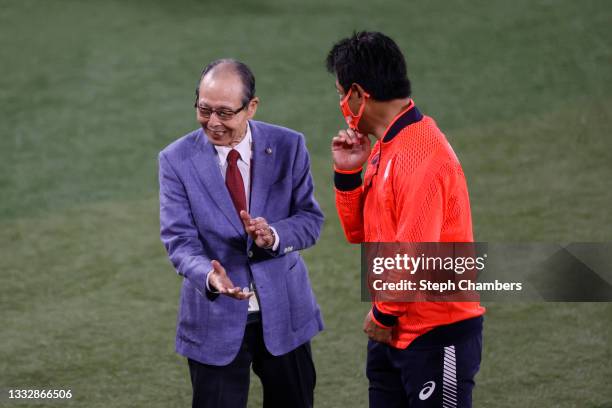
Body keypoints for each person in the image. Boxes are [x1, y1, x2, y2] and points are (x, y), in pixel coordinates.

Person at [326, 32, 486, 407]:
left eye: (340, 93)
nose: (340, 104)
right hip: (394, 328)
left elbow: (417, 255)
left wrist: (382, 314)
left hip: (436, 332)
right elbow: (360, 234)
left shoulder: (422, 154)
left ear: (358, 94)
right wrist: (348, 175)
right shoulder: (387, 145)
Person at [158, 59, 324, 408]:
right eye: (204, 109)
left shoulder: (288, 146)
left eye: (224, 112)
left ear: (251, 107)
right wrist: (208, 276)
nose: (213, 122)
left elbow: (310, 220)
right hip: (215, 316)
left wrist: (275, 236)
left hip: (284, 313)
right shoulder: (175, 160)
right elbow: (179, 241)